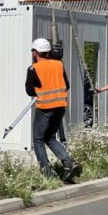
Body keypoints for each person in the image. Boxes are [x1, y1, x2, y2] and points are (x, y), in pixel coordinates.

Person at [26, 38, 80, 181]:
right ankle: (67, 161)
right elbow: (66, 85)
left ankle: (47, 173)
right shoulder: (58, 65)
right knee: (50, 137)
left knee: (38, 140)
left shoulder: (33, 69)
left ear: (36, 52)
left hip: (44, 108)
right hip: (60, 107)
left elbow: (29, 91)